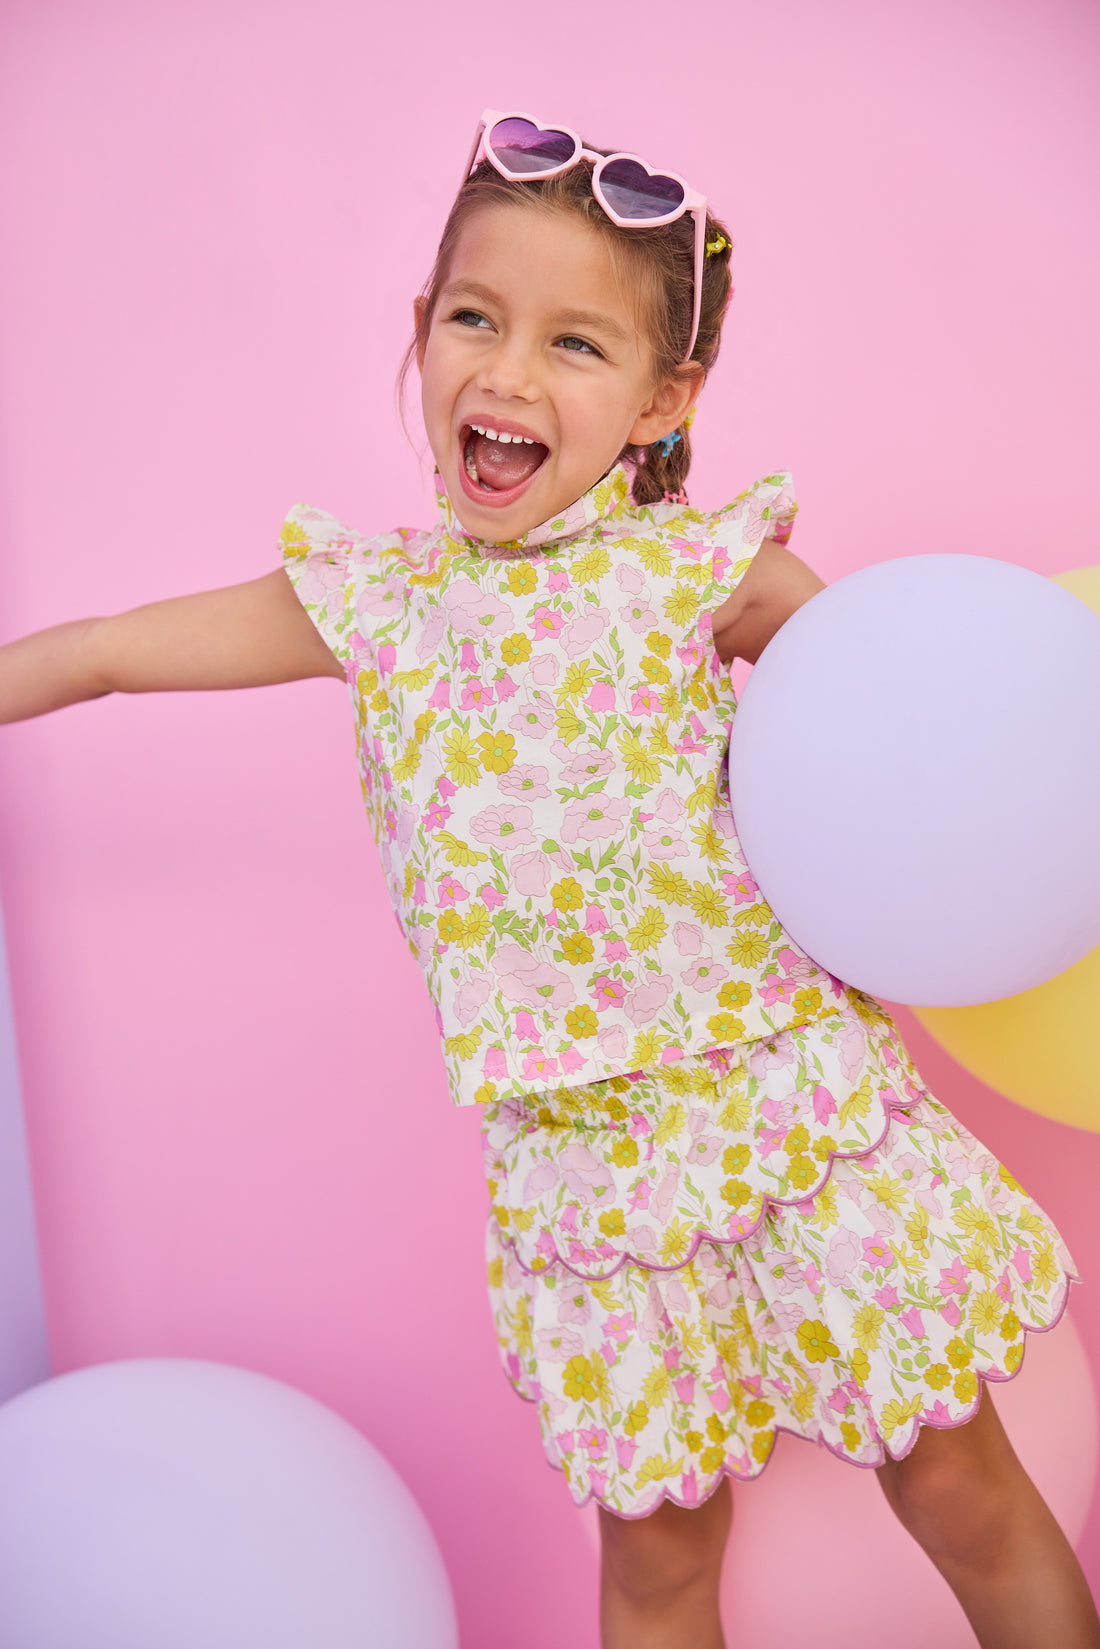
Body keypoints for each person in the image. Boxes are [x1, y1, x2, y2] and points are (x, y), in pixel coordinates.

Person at [1, 109, 1096, 1649]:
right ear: (421, 337)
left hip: (791, 1112)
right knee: (656, 1563)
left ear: (666, 397)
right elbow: (106, 653)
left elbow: (915, 753)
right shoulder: (373, 603)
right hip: (584, 1178)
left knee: (961, 1491)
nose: (507, 373)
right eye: (473, 318)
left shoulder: (703, 574)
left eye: (575, 345)